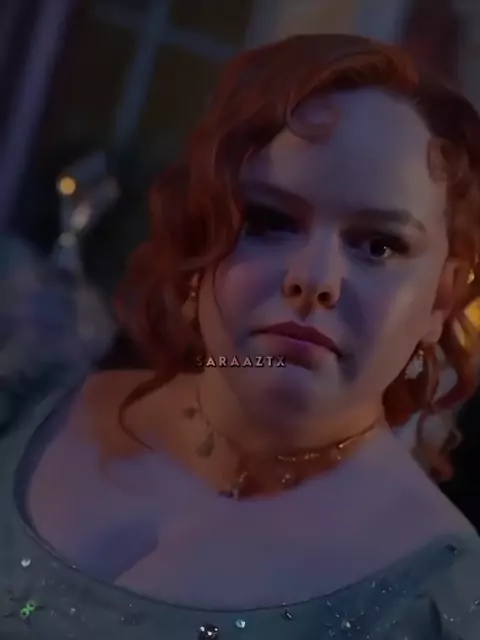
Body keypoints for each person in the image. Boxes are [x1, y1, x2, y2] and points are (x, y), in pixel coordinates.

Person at [1, 33, 480, 639]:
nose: (314, 279)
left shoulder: (431, 600)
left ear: (440, 298)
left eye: (379, 245)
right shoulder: (35, 406)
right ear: (201, 238)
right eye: (270, 220)